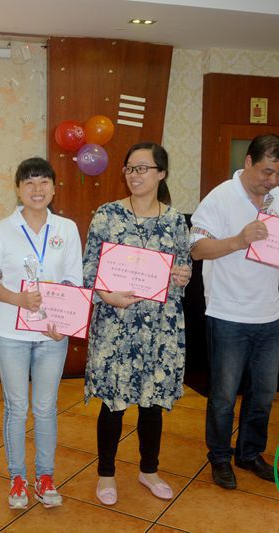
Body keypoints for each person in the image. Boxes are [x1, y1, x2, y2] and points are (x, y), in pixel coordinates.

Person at [83, 142, 191, 504]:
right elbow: (89, 268)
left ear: (161, 173)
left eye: (142, 168)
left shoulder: (175, 221)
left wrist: (183, 275)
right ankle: (106, 474)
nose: (134, 175)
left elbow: (183, 268)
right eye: (130, 168)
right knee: (112, 402)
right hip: (115, 323)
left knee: (152, 401)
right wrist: (106, 294)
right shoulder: (107, 214)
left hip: (159, 327)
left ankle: (149, 470)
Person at [190, 133, 279, 490]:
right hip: (228, 313)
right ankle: (220, 457)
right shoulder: (219, 197)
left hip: (269, 313)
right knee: (223, 395)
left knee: (263, 395)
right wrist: (238, 239)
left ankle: (249, 453)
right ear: (248, 162)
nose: (273, 181)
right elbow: (197, 249)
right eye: (267, 172)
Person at [0, 157, 82, 509]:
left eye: (43, 182)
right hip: (10, 333)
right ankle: (17, 478)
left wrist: (63, 323)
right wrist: (18, 299)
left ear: (54, 188)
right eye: (29, 183)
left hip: (52, 335)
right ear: (18, 189)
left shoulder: (66, 228)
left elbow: (73, 280)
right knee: (16, 407)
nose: (37, 189)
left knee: (45, 407)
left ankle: (45, 477)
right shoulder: (0, 231)